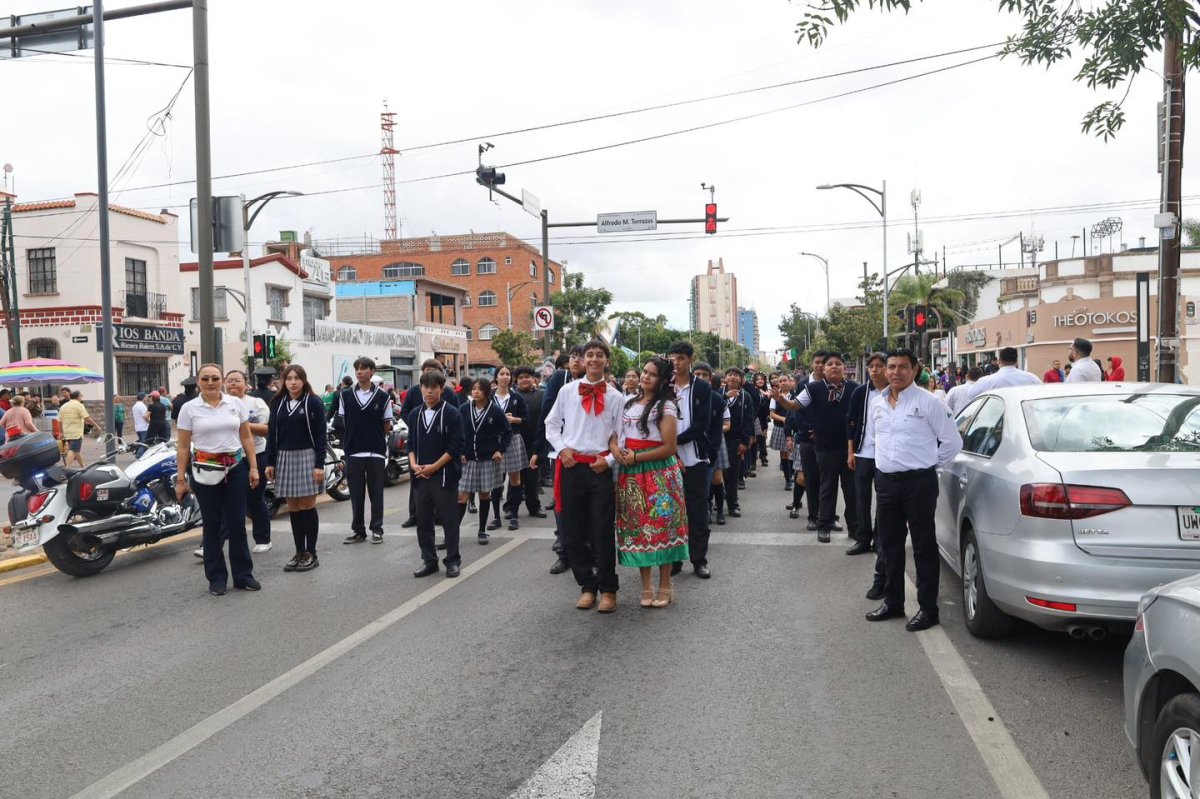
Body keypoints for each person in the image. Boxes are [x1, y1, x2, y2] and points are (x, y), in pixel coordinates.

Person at [864, 349, 962, 631]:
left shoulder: (930, 403)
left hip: (919, 484)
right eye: (891, 367)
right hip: (886, 484)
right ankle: (893, 602)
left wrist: (928, 467)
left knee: (923, 547)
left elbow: (952, 443)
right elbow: (875, 440)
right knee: (890, 545)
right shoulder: (877, 403)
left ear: (915, 369)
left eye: (903, 367)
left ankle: (928, 609)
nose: (896, 372)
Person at [544, 339, 624, 612]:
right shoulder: (567, 391)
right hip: (571, 466)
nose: (593, 359)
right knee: (573, 531)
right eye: (589, 355)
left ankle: (608, 589)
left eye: (599, 355)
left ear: (607, 361)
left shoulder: (616, 397)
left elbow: (621, 437)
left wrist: (610, 459)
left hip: (599, 468)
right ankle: (587, 586)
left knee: (601, 530)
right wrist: (562, 449)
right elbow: (551, 425)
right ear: (581, 359)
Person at [174, 363, 261, 596]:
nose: (210, 383)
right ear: (199, 382)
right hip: (204, 470)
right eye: (205, 379)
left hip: (235, 468)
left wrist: (253, 468)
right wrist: (180, 479)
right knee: (212, 525)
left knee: (236, 523)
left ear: (222, 380)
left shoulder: (235, 404)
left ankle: (243, 575)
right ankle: (217, 578)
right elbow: (183, 447)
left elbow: (246, 437)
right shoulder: (189, 409)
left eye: (214, 378)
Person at [614, 356, 689, 608]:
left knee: (661, 527)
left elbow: (669, 447)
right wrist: (615, 449)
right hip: (632, 474)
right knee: (638, 529)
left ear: (662, 379)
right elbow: (615, 435)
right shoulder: (628, 403)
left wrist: (637, 456)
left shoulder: (666, 406)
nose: (645, 377)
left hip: (659, 474)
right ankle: (645, 586)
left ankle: (665, 585)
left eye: (652, 374)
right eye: (644, 372)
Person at [264, 365, 327, 571]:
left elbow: (320, 436)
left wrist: (319, 464)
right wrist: (270, 462)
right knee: (293, 508)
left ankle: (312, 552)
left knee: (307, 506)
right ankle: (299, 551)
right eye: (289, 378)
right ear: (284, 381)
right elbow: (272, 435)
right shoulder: (278, 403)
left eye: (297, 378)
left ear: (304, 380)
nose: (292, 382)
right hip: (284, 457)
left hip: (307, 456)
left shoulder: (314, 402)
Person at [666, 342, 720, 579]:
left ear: (689, 359)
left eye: (680, 358)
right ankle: (674, 559)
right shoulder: (664, 385)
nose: (676, 363)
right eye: (673, 358)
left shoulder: (701, 388)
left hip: (695, 457)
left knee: (697, 510)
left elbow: (701, 425)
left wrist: (674, 440)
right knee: (671, 510)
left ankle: (698, 559)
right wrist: (668, 447)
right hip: (666, 459)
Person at [791, 353, 857, 543]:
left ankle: (854, 528)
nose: (834, 367)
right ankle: (823, 524)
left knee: (851, 490)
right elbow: (795, 407)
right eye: (829, 364)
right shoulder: (812, 389)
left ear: (845, 367)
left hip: (850, 448)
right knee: (826, 487)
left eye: (838, 364)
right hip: (824, 447)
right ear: (822, 368)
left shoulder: (856, 389)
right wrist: (781, 399)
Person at [406, 369, 465, 578]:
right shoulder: (415, 414)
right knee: (423, 521)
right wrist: (414, 465)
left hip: (444, 475)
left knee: (449, 520)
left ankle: (452, 560)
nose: (429, 391)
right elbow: (410, 443)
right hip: (420, 476)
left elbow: (455, 446)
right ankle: (429, 560)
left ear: (441, 389)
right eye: (425, 386)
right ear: (420, 388)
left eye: (433, 387)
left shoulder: (451, 413)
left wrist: (434, 467)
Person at [535, 346, 587, 574]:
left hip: (590, 453)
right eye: (574, 357)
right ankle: (564, 552)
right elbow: (548, 414)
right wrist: (539, 448)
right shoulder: (560, 380)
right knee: (562, 504)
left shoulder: (601, 385)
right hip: (562, 451)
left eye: (581, 357)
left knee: (590, 506)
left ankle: (590, 553)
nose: (577, 361)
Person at [398, 359, 462, 529]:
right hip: (419, 444)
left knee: (442, 491)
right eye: (427, 370)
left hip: (441, 449)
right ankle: (415, 515)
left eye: (434, 370)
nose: (429, 390)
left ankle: (441, 518)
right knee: (418, 486)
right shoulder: (414, 393)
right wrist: (416, 424)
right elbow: (405, 412)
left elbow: (457, 424)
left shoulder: (448, 395)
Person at [338, 357, 394, 545]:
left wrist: (376, 438)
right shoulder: (345, 396)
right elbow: (345, 421)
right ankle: (358, 530)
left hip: (376, 451)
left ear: (372, 371)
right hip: (353, 450)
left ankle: (377, 529)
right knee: (356, 493)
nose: (359, 372)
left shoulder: (383, 397)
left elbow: (387, 424)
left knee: (376, 492)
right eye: (357, 369)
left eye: (363, 368)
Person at [458, 376, 512, 545]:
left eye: (479, 389)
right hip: (468, 460)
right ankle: (452, 532)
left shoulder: (495, 411)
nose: (475, 392)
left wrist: (500, 450)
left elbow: (507, 432)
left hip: (488, 459)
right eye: (474, 389)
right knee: (462, 496)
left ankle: (482, 530)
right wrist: (460, 451)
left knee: (484, 494)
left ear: (487, 392)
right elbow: (457, 432)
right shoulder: (464, 409)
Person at [225, 370, 273, 555]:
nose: (233, 384)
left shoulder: (256, 403)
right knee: (226, 501)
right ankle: (213, 542)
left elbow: (266, 429)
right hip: (227, 458)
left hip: (256, 455)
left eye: (237, 381)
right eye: (230, 381)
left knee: (253, 498)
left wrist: (244, 424)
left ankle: (263, 538)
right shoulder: (219, 403)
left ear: (246, 384)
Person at [846, 352, 888, 558]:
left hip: (886, 456)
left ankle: (879, 540)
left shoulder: (894, 392)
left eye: (879, 366)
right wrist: (850, 452)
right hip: (863, 453)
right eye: (871, 366)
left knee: (883, 499)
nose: (874, 370)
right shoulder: (860, 392)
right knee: (861, 498)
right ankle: (863, 538)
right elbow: (850, 422)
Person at [490, 365, 529, 532]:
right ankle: (496, 517)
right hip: (493, 441)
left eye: (507, 374)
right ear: (496, 377)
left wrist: (514, 420)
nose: (505, 377)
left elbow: (526, 419)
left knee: (515, 480)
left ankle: (513, 515)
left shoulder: (517, 397)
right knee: (495, 481)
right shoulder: (489, 397)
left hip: (513, 439)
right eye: (502, 374)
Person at [510, 366, 548, 523]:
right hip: (515, 441)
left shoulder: (542, 395)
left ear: (534, 379)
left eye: (528, 376)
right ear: (516, 380)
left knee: (532, 476)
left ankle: (534, 506)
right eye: (521, 377)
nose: (524, 379)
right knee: (515, 477)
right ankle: (511, 508)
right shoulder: (512, 396)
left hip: (535, 441)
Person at [720, 367, 754, 519]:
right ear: (725, 378)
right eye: (730, 375)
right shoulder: (718, 394)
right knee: (719, 475)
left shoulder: (746, 397)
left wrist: (745, 441)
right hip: (718, 439)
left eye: (736, 375)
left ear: (741, 379)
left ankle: (733, 504)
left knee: (733, 474)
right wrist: (725, 397)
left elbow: (748, 421)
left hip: (735, 440)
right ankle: (718, 503)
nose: (733, 377)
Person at [962, 346, 1040, 404]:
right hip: (1026, 422)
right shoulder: (1032, 378)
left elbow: (971, 394)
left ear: (999, 361)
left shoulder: (986, 381)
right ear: (1016, 361)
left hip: (995, 422)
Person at [58, 391, 97, 468]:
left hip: (67, 432)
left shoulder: (63, 406)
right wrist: (97, 426)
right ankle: (67, 467)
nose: (81, 397)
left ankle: (83, 467)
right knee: (72, 450)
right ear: (78, 397)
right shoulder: (79, 405)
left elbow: (60, 421)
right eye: (81, 396)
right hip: (76, 433)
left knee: (76, 450)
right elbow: (87, 417)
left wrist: (61, 432)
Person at [131, 392, 150, 456]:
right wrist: (150, 422)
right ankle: (139, 454)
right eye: (145, 397)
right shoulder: (142, 406)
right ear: (142, 398)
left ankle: (137, 451)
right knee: (144, 443)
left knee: (141, 442)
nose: (146, 398)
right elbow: (145, 417)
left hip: (138, 427)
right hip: (144, 427)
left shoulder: (135, 406)